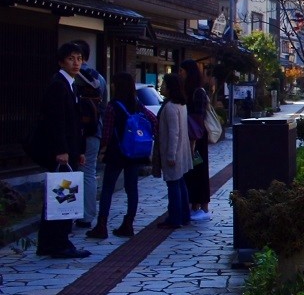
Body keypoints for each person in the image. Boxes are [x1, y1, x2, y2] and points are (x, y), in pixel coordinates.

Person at [35, 43, 91, 259]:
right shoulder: (58, 85)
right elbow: (55, 121)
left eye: (79, 58)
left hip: (71, 149)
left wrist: (80, 150)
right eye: (71, 59)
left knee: (58, 196)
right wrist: (62, 149)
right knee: (63, 196)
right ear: (61, 61)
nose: (76, 63)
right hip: (62, 151)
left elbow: (75, 123)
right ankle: (58, 242)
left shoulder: (71, 85)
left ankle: (50, 242)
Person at [86, 72, 158, 240]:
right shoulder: (137, 103)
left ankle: (101, 226)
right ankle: (128, 224)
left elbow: (107, 131)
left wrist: (102, 149)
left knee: (108, 189)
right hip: (134, 152)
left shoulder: (113, 106)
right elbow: (153, 120)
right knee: (132, 188)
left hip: (117, 152)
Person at [71, 39, 106, 228]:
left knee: (70, 172)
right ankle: (87, 215)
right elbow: (103, 107)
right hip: (93, 130)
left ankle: (69, 213)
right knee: (89, 172)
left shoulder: (72, 78)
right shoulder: (98, 78)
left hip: (75, 133)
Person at [156, 72, 193, 229]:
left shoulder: (170, 107)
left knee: (173, 185)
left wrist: (170, 154)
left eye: (164, 84)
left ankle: (175, 218)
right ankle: (184, 215)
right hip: (182, 151)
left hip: (174, 152)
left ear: (171, 88)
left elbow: (174, 132)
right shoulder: (181, 105)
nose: (161, 87)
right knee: (180, 183)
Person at [180, 60, 212, 222]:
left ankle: (203, 207)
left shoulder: (197, 92)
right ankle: (194, 205)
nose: (181, 74)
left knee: (199, 170)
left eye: (183, 71)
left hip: (196, 138)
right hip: (190, 137)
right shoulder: (189, 90)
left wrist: (193, 141)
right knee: (191, 172)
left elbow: (198, 118)